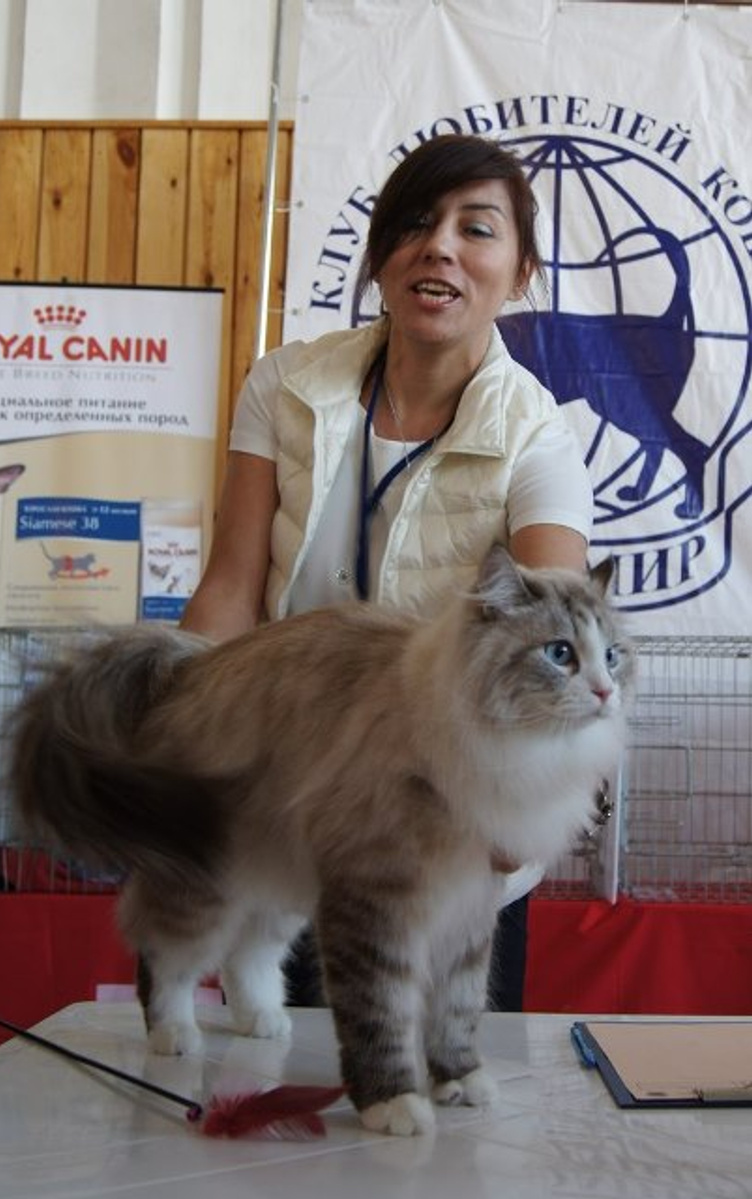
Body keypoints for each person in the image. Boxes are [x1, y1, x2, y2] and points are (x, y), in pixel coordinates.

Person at [181, 133, 593, 1011]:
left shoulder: (541, 439)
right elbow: (229, 590)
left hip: (452, 839)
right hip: (290, 813)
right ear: (378, 255)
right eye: (414, 222)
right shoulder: (283, 385)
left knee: (440, 1076)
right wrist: (186, 751)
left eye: (475, 228)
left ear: (521, 273)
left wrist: (508, 826)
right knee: (282, 1065)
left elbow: (560, 644)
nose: (438, 246)